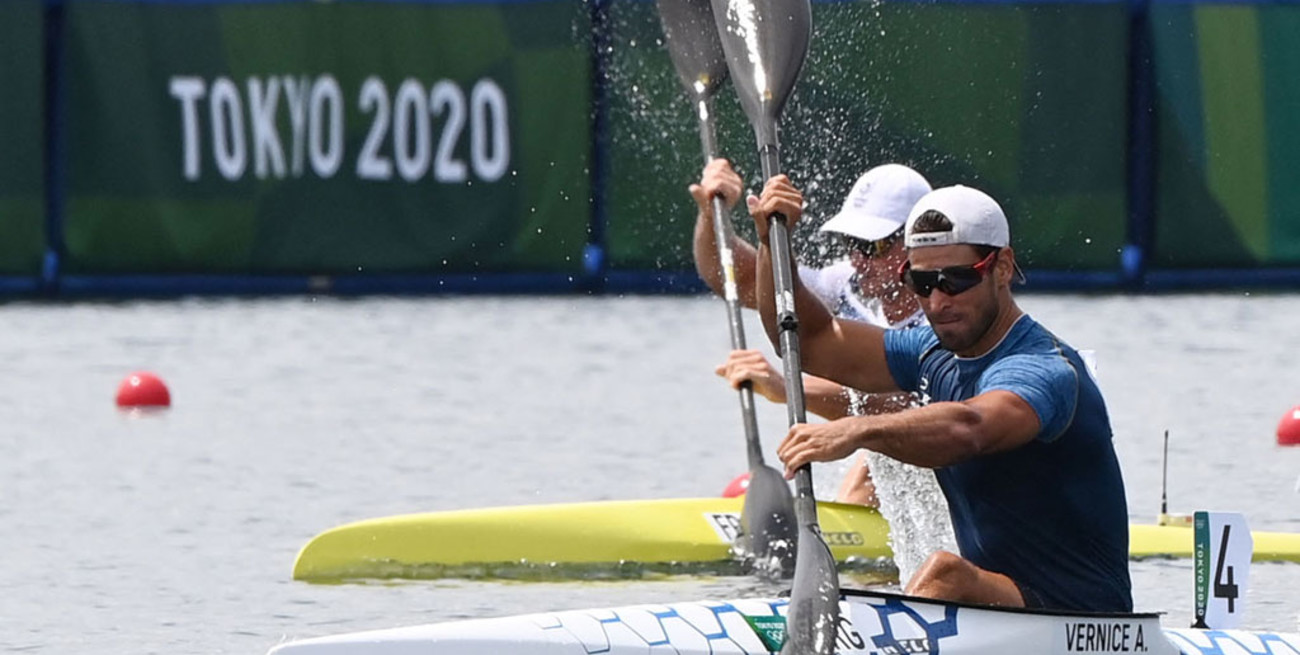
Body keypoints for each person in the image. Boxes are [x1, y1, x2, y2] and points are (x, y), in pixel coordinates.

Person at [747, 176, 1132, 612]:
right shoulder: (929, 351)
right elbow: (809, 340)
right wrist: (772, 244)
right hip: (1003, 609)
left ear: (1002, 268)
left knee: (945, 574)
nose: (937, 301)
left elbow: (970, 427)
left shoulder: (1043, 368)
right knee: (946, 576)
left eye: (956, 280)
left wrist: (858, 430)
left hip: (1086, 617)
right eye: (922, 281)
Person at [690, 159, 929, 505]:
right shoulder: (845, 285)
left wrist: (787, 388)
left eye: (872, 246)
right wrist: (714, 216)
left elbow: (906, 408)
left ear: (917, 242)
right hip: (896, 457)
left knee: (875, 457)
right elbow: (743, 281)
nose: (858, 260)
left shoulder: (945, 315)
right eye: (852, 242)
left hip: (946, 458)